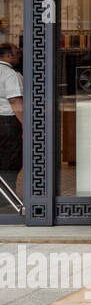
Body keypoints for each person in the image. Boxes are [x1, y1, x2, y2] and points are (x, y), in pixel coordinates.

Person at [0, 42, 23, 212]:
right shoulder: (10, 74)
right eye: (16, 52)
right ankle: (5, 198)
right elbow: (15, 101)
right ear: (7, 56)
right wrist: (27, 125)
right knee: (10, 161)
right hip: (7, 123)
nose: (19, 55)